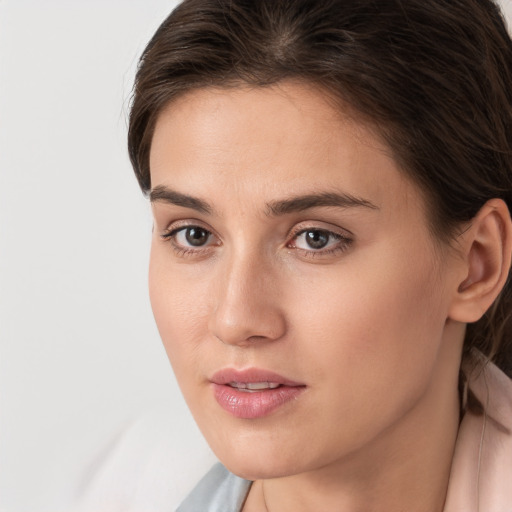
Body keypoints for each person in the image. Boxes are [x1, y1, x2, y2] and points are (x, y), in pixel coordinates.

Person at [127, 0, 512, 510]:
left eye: (316, 238)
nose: (236, 320)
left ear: (476, 265)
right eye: (194, 234)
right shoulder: (124, 482)